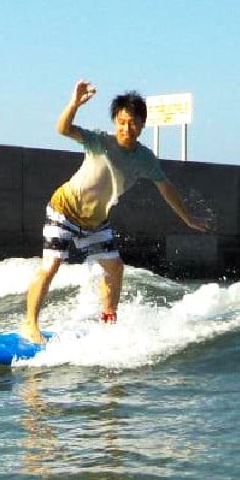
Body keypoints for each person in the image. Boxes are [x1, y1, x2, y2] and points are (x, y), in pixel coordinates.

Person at [20, 80, 210, 344]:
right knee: (51, 265)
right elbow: (63, 129)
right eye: (121, 122)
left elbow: (166, 187)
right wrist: (74, 104)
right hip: (64, 210)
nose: (126, 129)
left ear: (142, 124)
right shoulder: (100, 142)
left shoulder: (145, 158)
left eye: (132, 123)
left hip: (96, 222)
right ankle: (30, 324)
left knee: (115, 268)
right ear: (114, 122)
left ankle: (108, 322)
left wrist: (187, 217)